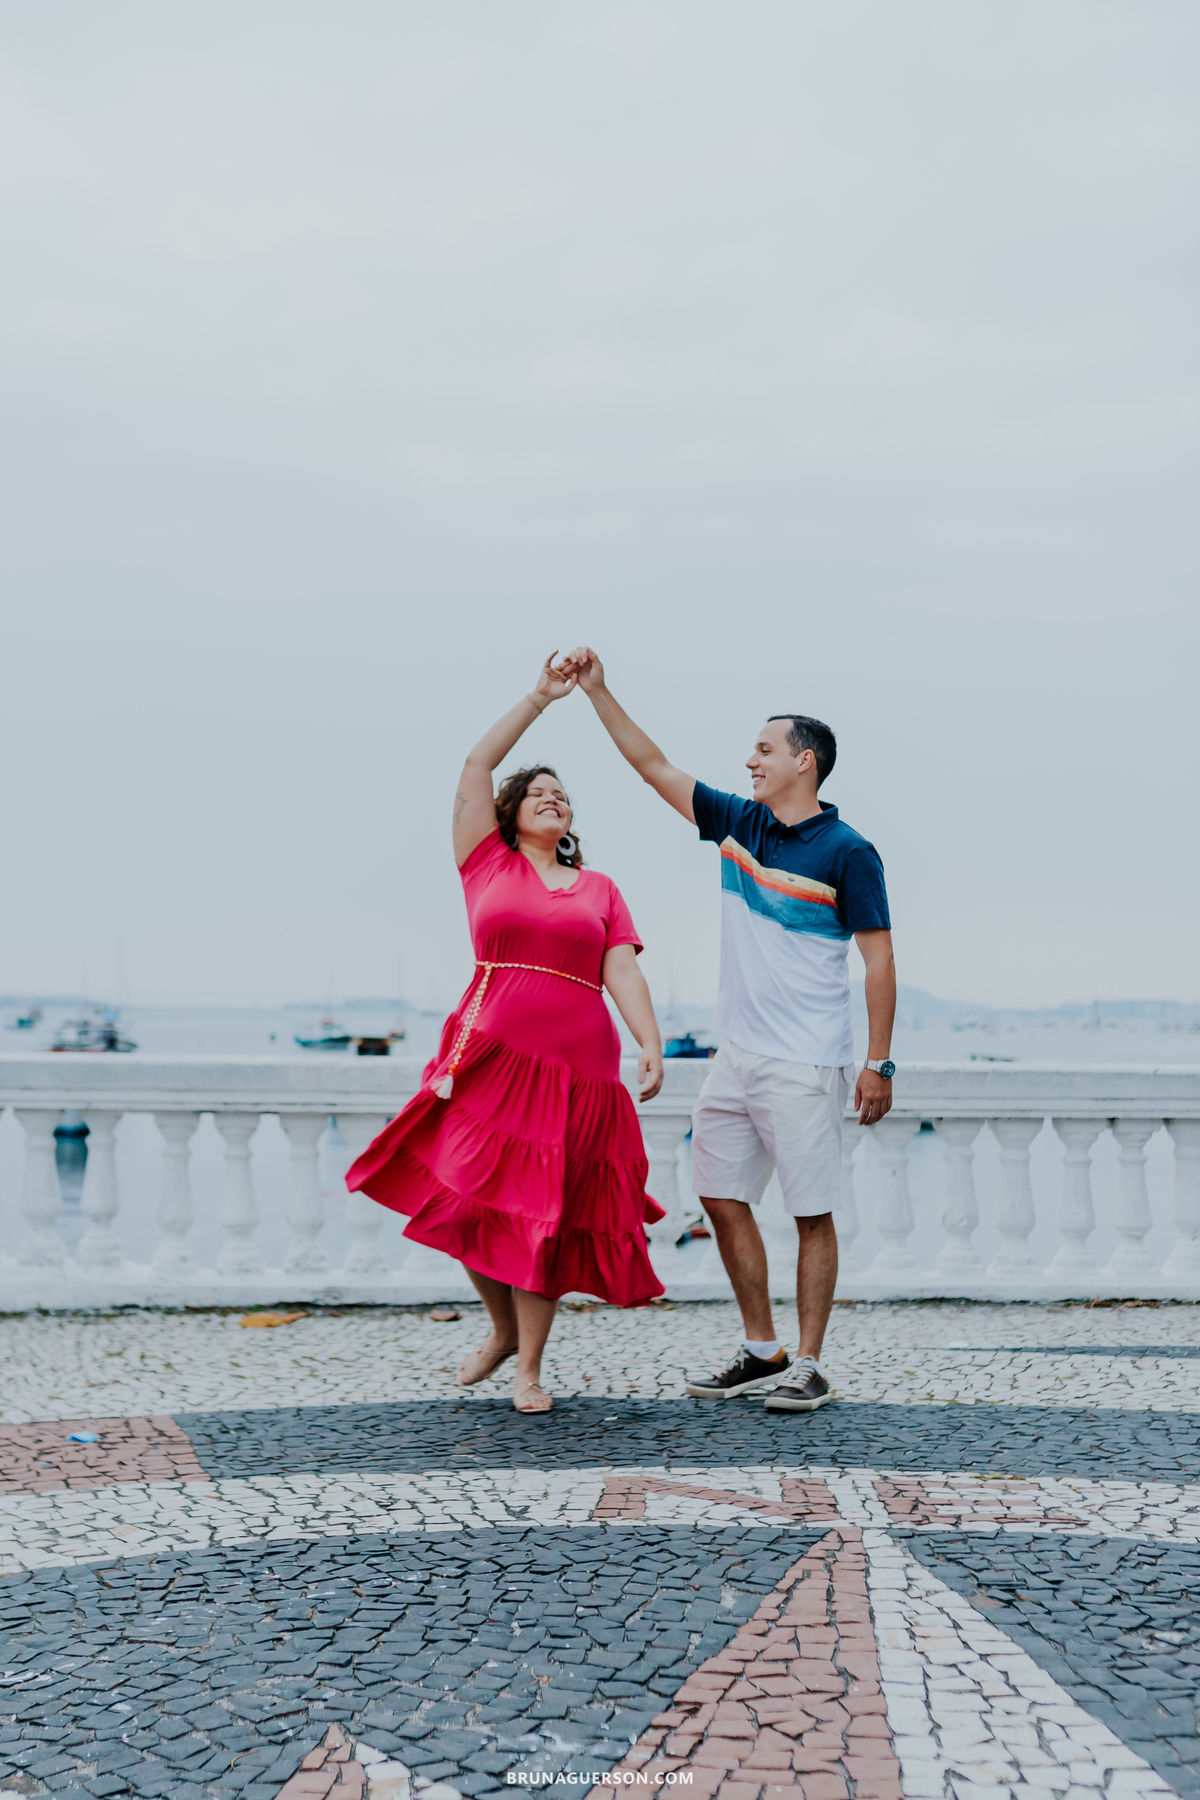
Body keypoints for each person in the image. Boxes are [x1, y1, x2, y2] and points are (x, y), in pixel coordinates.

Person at [558, 646, 895, 1413]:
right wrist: (598, 692)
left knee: (811, 1214)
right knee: (716, 1195)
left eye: (765, 749)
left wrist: (879, 1062)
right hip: (735, 1057)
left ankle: (809, 1361)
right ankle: (761, 1347)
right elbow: (652, 766)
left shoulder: (849, 852)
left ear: (803, 762)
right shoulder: (738, 824)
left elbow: (879, 962)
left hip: (807, 1062)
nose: (750, 760)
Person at [345, 654, 666, 1414]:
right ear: (510, 812)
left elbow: (622, 972)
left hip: (579, 1063)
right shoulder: (485, 865)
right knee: (464, 1194)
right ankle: (500, 1331)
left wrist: (651, 1043)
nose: (552, 800)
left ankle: (530, 1369)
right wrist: (543, 697)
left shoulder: (600, 889)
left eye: (562, 796)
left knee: (544, 1218)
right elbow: (476, 762)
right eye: (538, 794)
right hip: (489, 1056)